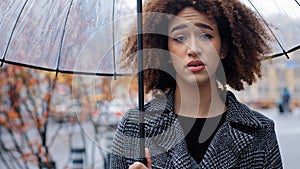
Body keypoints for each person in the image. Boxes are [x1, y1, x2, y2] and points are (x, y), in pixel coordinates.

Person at [110, 0, 283, 168]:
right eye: (179, 38)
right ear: (166, 52)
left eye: (205, 36)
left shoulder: (260, 131)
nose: (193, 49)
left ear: (223, 48)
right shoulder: (134, 127)